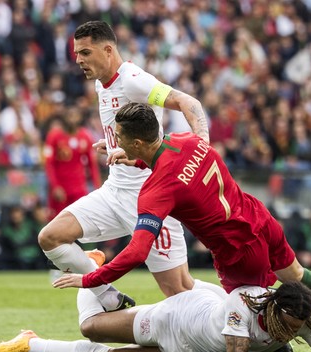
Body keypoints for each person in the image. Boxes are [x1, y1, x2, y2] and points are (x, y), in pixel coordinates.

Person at [53, 102, 311, 347]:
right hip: (258, 218)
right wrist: (137, 157)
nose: (116, 144)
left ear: (138, 143)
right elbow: (171, 160)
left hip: (237, 251)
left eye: (120, 139)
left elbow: (138, 250)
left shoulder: (155, 191)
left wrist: (91, 279)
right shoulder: (189, 140)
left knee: (259, 314)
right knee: (299, 276)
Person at [37, 21, 211, 313]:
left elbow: (186, 101)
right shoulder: (99, 83)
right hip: (115, 190)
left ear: (107, 50)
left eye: (85, 52)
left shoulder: (133, 79)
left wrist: (202, 145)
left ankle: (247, 315)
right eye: (77, 53)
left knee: (180, 291)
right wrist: (114, 143)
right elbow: (135, 130)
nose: (78, 59)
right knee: (50, 237)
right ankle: (109, 297)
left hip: (149, 196)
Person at [0, 281, 311, 352]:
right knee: (91, 327)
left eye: (298, 328)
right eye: (288, 326)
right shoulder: (244, 301)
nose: (291, 334)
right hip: (176, 319)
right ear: (274, 309)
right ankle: (93, 274)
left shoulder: (300, 317)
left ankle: (30, 343)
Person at [43, 112, 101, 219]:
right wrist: (55, 186)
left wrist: (97, 187)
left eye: (75, 115)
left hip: (78, 187)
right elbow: (49, 164)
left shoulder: (85, 136)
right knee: (58, 220)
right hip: (61, 187)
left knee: (80, 219)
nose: (72, 119)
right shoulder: (54, 136)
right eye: (70, 115)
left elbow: (92, 165)